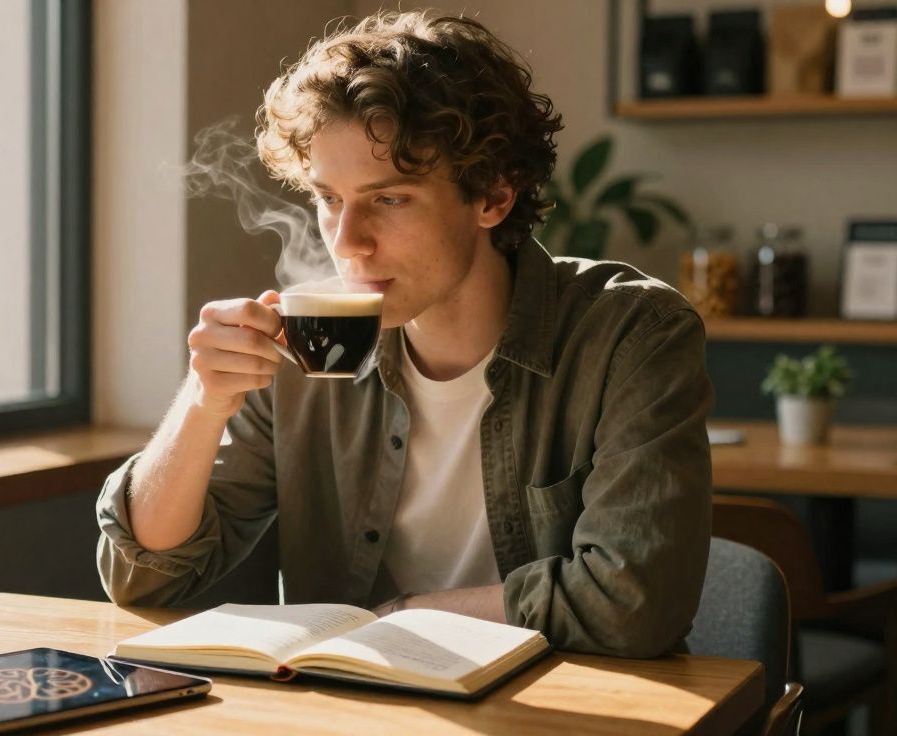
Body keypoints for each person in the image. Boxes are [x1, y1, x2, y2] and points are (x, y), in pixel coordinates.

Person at [96, 10, 712, 658]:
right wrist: (203, 402)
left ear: (493, 196)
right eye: (330, 198)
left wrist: (404, 616)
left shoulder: (630, 336)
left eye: (388, 199)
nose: (348, 241)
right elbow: (144, 576)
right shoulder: (311, 353)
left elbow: (633, 605)